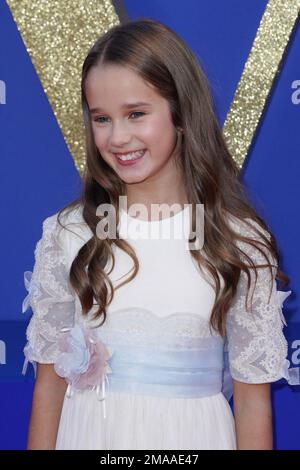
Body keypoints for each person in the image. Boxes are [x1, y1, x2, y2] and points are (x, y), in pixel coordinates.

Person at [21, 18, 298, 450]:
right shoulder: (69, 234)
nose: (118, 137)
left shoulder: (236, 239)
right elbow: (49, 387)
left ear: (180, 111)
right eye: (101, 118)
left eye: (136, 113)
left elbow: (252, 404)